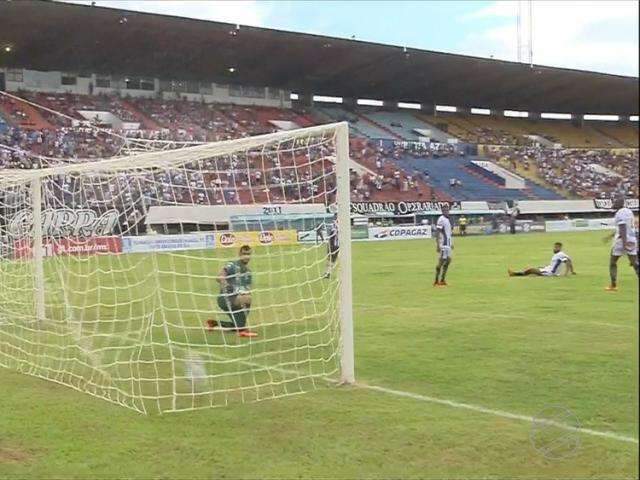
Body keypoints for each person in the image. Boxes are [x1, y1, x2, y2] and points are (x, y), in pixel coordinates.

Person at [206, 245, 257, 337]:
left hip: (236, 300)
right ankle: (241, 331)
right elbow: (219, 277)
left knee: (238, 324)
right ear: (239, 254)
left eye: (248, 254)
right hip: (226, 298)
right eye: (244, 254)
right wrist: (226, 285)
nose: (246, 256)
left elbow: (246, 289)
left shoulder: (248, 272)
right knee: (247, 298)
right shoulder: (232, 265)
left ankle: (215, 323)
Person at [604, 196, 638, 291]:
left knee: (613, 263)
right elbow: (624, 228)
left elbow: (622, 227)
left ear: (619, 204)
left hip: (621, 241)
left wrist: (624, 243)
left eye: (615, 202)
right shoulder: (629, 212)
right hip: (632, 239)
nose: (613, 204)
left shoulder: (619, 213)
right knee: (635, 263)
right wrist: (610, 236)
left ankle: (613, 285)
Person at [508, 242, 576, 277]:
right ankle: (517, 273)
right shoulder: (561, 254)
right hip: (548, 269)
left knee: (531, 269)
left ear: (559, 248)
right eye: (554, 247)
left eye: (555, 247)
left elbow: (567, 262)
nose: (554, 249)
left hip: (551, 273)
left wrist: (566, 274)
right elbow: (569, 261)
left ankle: (514, 274)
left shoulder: (560, 254)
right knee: (529, 269)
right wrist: (572, 271)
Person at [434, 204, 453, 287]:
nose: (447, 211)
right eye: (445, 210)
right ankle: (436, 280)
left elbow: (448, 233)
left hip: (448, 243)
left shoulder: (447, 219)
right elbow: (437, 232)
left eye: (447, 210)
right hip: (444, 243)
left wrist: (451, 243)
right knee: (442, 261)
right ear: (442, 211)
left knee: (448, 260)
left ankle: (442, 280)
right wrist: (438, 244)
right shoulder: (441, 219)